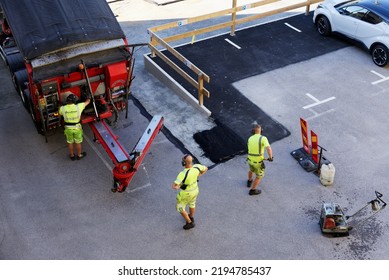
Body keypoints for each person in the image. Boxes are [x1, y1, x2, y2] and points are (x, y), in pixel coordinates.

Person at [172, 154, 208, 230]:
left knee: (180, 207)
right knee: (192, 203)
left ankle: (189, 222)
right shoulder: (197, 167)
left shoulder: (182, 174)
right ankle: (191, 217)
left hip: (186, 193)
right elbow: (206, 168)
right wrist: (199, 174)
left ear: (184, 163)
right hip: (195, 190)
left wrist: (179, 186)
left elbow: (174, 186)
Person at [58, 93, 90, 160]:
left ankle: (72, 156)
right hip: (77, 128)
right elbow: (87, 102)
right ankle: (79, 155)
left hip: (68, 129)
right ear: (74, 101)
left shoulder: (63, 108)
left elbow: (59, 113)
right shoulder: (79, 106)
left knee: (70, 142)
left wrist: (60, 105)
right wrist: (88, 97)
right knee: (78, 142)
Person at [246, 124, 273, 195]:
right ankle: (253, 190)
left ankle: (249, 181)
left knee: (251, 170)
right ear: (261, 131)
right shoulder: (263, 138)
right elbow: (268, 148)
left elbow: (253, 151)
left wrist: (262, 157)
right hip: (258, 163)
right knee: (259, 176)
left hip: (250, 160)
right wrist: (270, 157)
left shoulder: (250, 138)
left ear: (253, 131)